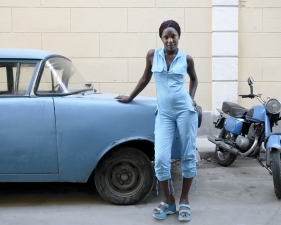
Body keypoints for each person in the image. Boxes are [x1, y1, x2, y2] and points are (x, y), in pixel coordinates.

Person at [115, 20, 198, 222]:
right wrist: (130, 96)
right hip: (165, 114)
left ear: (179, 37)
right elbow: (145, 78)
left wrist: (192, 98)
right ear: (161, 38)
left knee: (187, 155)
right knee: (161, 159)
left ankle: (184, 200)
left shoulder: (186, 59)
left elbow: (194, 79)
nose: (170, 40)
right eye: (166, 37)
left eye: (173, 36)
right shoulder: (153, 55)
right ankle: (169, 200)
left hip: (185, 112)